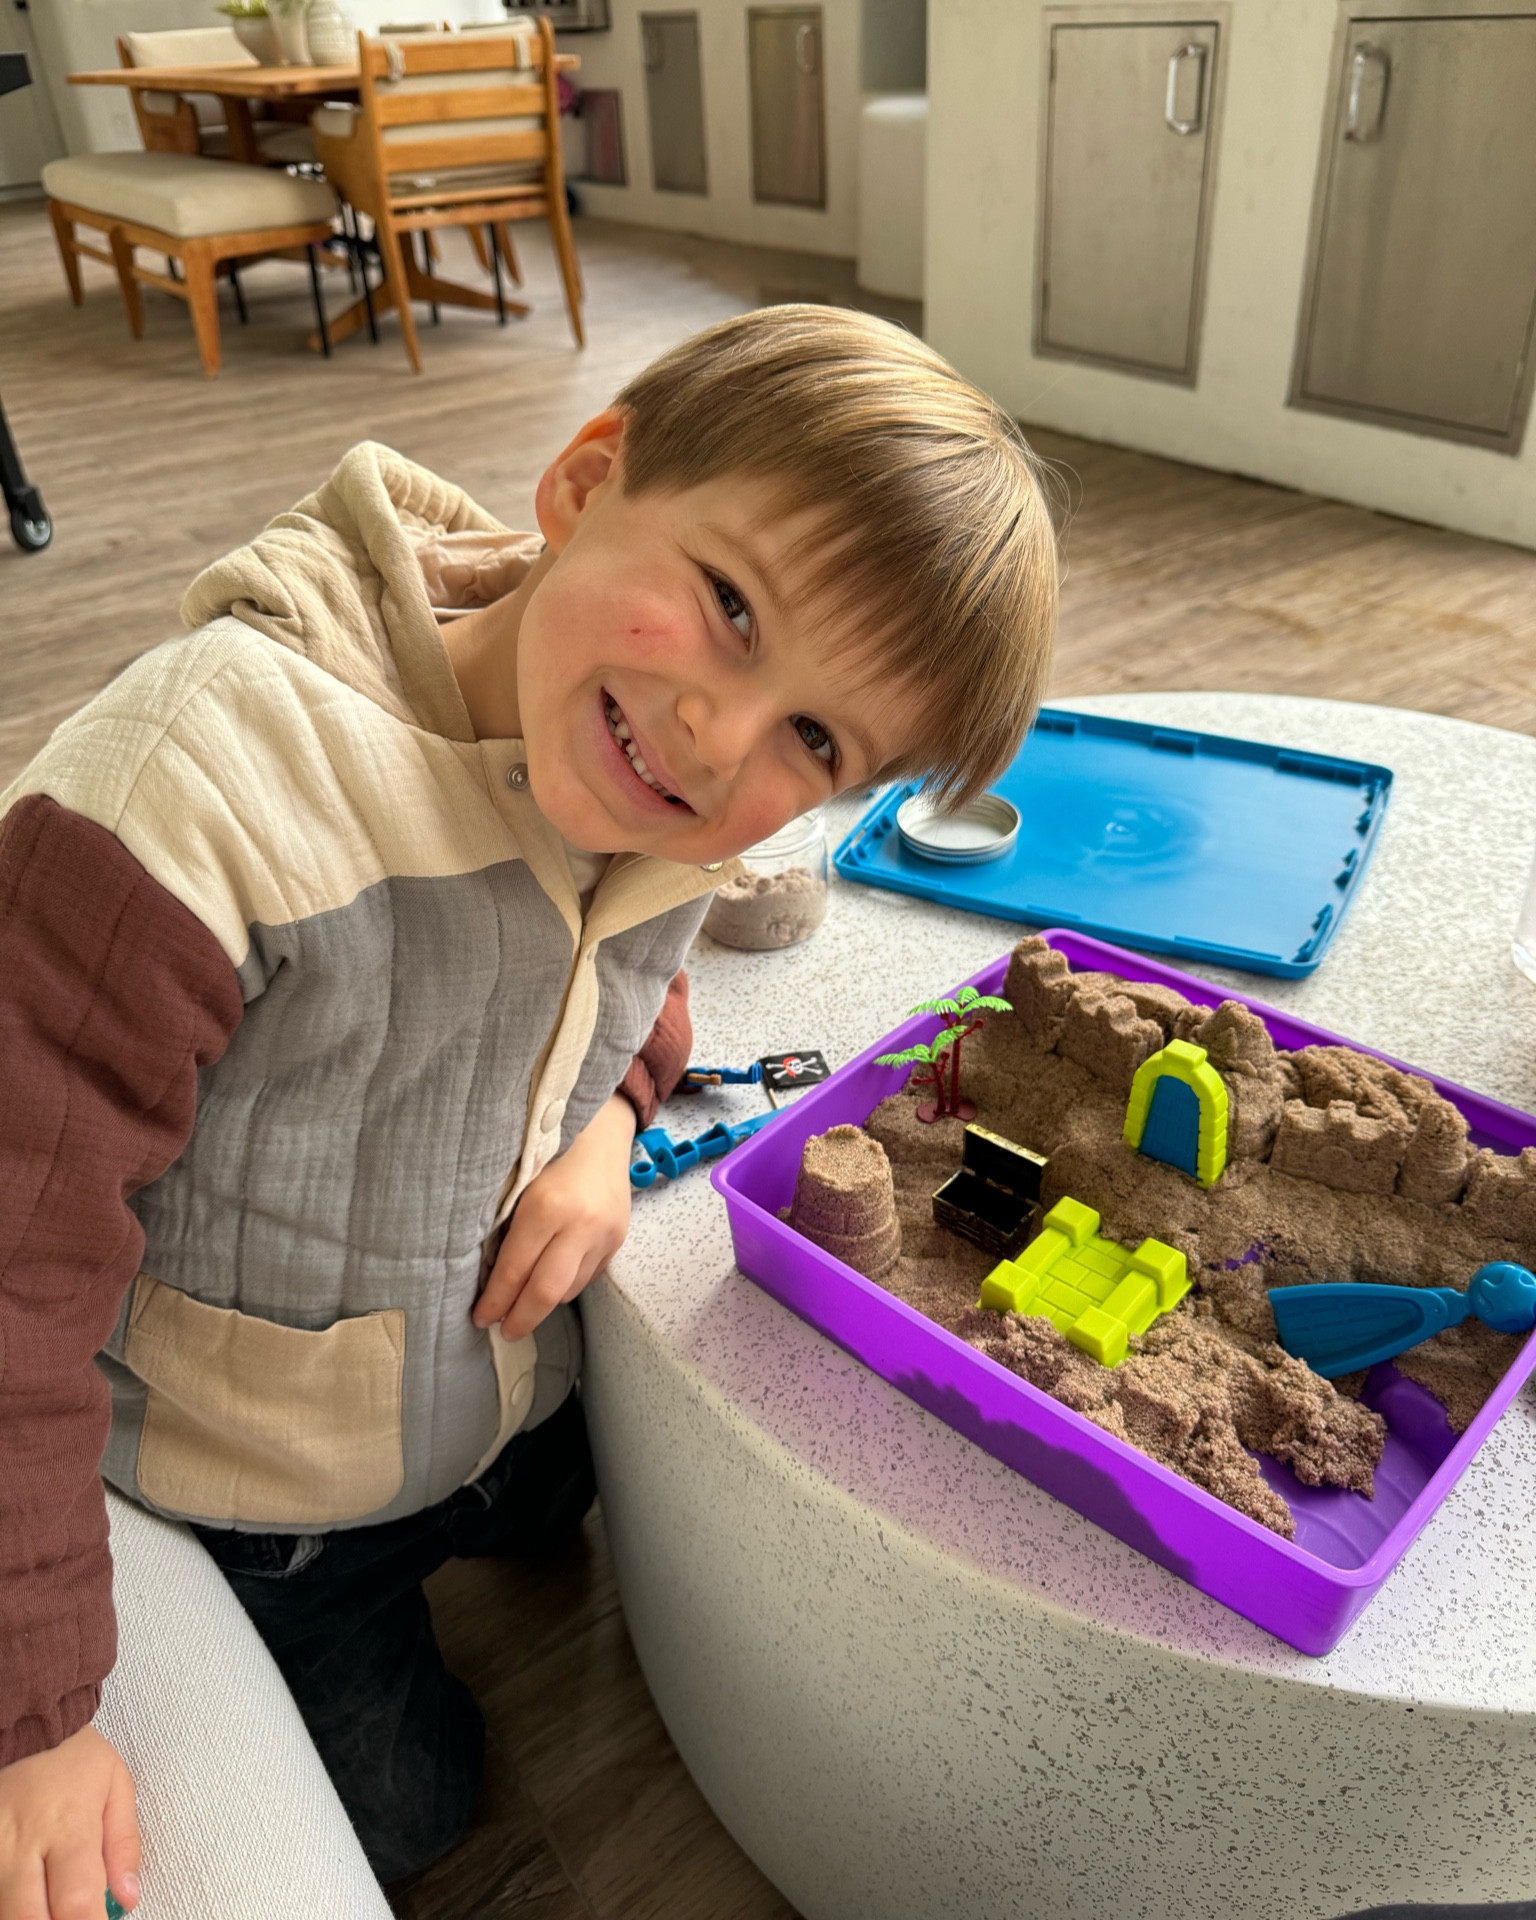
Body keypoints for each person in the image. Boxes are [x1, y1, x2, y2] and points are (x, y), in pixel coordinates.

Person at [0, 303, 1058, 1918]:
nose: (720, 737)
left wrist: (608, 1135)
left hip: (483, 1384)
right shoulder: (193, 784)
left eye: (814, 737)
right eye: (729, 605)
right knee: (417, 1807)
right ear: (583, 482)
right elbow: (16, 1264)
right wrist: (34, 1711)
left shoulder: (666, 809)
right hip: (259, 1487)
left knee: (582, 1505)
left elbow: (649, 1007)